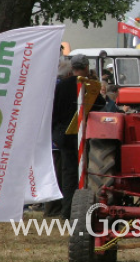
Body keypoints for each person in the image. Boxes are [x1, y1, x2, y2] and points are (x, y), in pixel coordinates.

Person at [50, 54, 106, 219]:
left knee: (69, 174)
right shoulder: (91, 86)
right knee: (86, 173)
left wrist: (56, 133)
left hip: (64, 136)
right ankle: (85, 209)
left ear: (72, 68)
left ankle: (67, 211)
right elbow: (101, 108)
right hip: (83, 134)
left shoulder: (61, 86)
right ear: (87, 67)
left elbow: (54, 112)